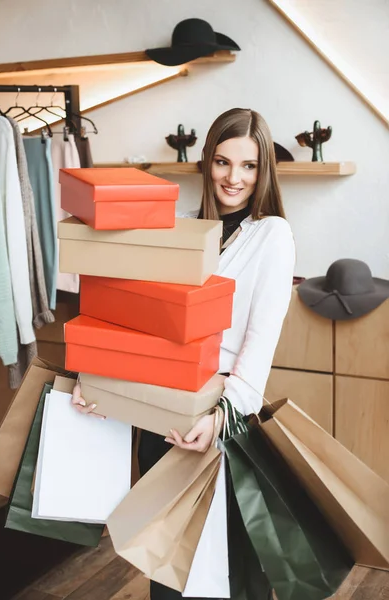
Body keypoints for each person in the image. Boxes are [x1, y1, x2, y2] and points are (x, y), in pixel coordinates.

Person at [72, 108, 296, 600]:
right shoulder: (180, 231)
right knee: (168, 571)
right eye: (222, 162)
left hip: (219, 422)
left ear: (264, 172)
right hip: (162, 416)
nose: (233, 178)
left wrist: (220, 417)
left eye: (249, 166)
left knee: (220, 573)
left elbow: (259, 346)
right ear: (205, 163)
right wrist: (101, 384)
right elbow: (147, 330)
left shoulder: (272, 235)